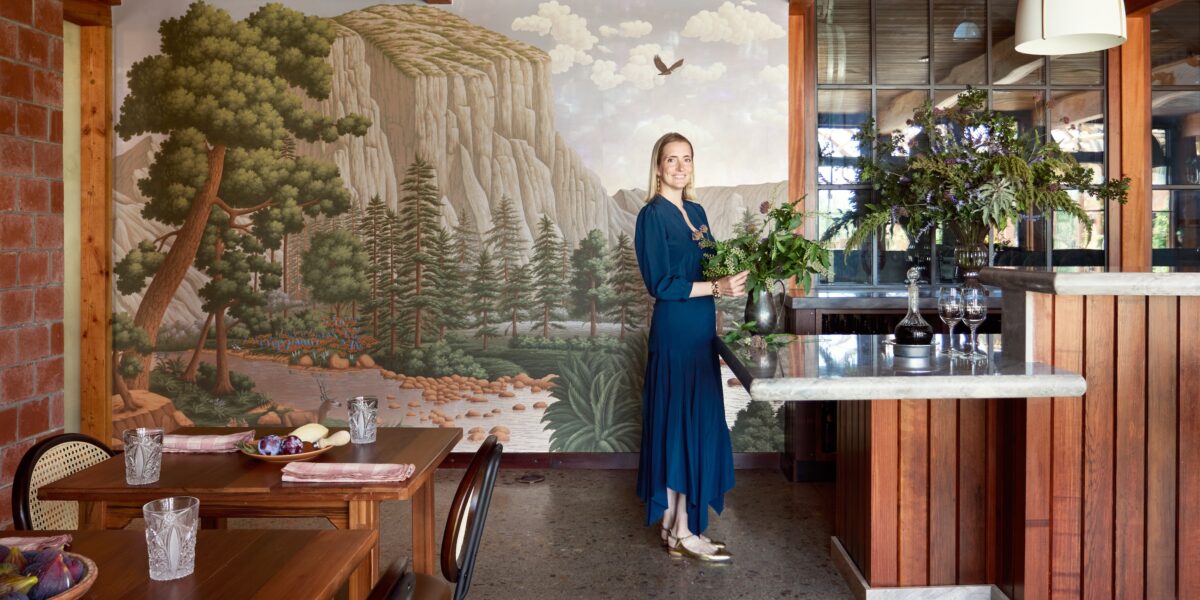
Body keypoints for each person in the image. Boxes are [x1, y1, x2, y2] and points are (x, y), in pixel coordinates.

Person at [634, 132, 748, 562]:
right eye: (671, 160)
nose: (680, 167)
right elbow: (661, 284)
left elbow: (709, 268)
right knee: (678, 425)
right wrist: (717, 287)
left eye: (687, 159)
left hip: (702, 329)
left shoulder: (696, 212)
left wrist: (733, 276)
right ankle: (683, 530)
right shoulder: (651, 215)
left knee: (693, 423)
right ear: (658, 167)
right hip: (675, 330)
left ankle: (673, 526)